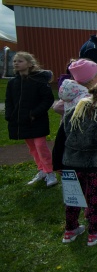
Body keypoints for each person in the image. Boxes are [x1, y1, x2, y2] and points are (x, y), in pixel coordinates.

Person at [52, 79, 97, 246]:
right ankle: (94, 231)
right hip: (95, 166)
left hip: (70, 163)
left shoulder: (72, 113)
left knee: (72, 198)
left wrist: (57, 164)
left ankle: (70, 230)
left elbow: (60, 141)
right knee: (94, 198)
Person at [5, 52, 56, 187]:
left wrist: (35, 113)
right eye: (15, 61)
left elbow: (48, 99)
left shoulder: (39, 80)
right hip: (21, 121)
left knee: (40, 145)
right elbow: (9, 100)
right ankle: (42, 170)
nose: (16, 63)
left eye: (20, 61)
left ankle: (50, 172)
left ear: (30, 64)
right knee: (32, 147)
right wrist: (9, 115)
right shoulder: (13, 82)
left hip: (37, 120)